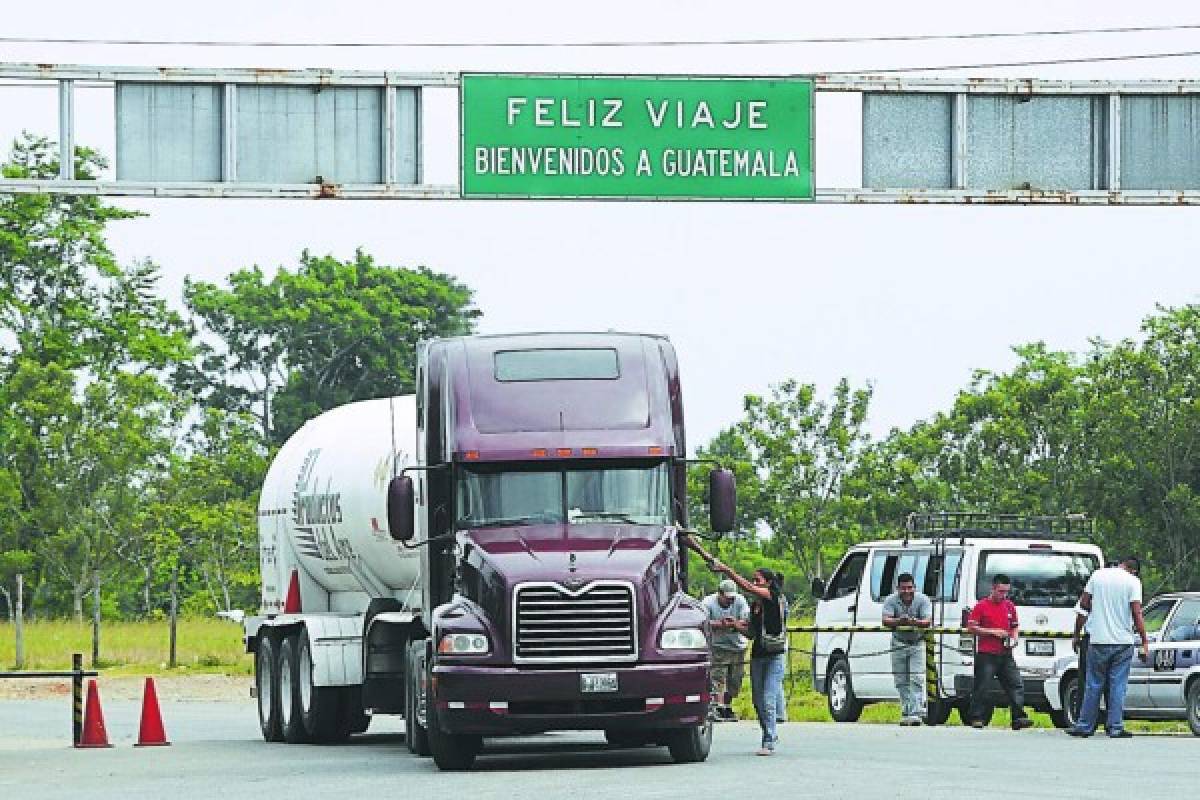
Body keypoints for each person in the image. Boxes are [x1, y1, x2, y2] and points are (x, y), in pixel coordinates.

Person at [1067, 556, 1150, 739]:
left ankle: (1084, 726)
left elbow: (1083, 605)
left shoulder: (1097, 576)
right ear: (1133, 570)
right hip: (1122, 643)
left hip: (1098, 641)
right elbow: (1137, 612)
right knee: (1118, 686)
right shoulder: (1133, 582)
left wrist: (1076, 634)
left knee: (1093, 685)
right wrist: (1144, 641)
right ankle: (1115, 727)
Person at [712, 561, 786, 756]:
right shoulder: (755, 606)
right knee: (758, 701)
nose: (754, 583)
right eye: (754, 580)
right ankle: (768, 732)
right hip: (758, 656)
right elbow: (751, 634)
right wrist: (735, 625)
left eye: (758, 580)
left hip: (774, 657)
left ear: (768, 583)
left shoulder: (773, 597)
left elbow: (747, 587)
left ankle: (768, 740)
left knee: (769, 698)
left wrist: (727, 569)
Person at [966, 573, 1034, 730]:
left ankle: (1018, 717)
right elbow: (971, 627)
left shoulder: (1009, 606)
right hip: (987, 653)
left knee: (1016, 684)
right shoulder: (981, 606)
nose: (1003, 595)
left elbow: (1014, 625)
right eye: (1001, 591)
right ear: (993, 588)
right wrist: (992, 632)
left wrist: (1014, 638)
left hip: (1005, 653)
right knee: (982, 686)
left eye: (1006, 592)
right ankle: (977, 716)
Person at [882, 572, 933, 726]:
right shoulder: (890, 600)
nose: (906, 591)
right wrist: (899, 621)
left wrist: (914, 622)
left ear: (914, 587)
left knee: (916, 677)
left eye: (909, 588)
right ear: (898, 588)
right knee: (900, 679)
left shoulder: (923, 600)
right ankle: (906, 710)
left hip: (917, 642)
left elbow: (927, 621)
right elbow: (885, 620)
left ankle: (916, 712)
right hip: (898, 642)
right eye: (903, 588)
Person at [702, 578, 750, 721]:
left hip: (737, 647)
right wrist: (720, 624)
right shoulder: (708, 603)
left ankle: (727, 707)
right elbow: (703, 622)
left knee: (735, 679)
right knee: (717, 678)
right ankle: (717, 706)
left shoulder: (740, 601)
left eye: (732, 598)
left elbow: (746, 619)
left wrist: (734, 623)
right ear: (720, 594)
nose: (730, 601)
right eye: (727, 598)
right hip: (718, 647)